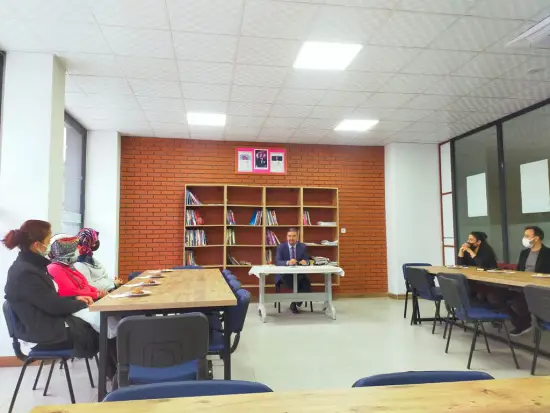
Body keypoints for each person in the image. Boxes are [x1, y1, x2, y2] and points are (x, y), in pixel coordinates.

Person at [2, 221, 106, 364]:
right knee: (105, 330)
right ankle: (116, 373)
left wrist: (76, 298)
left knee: (104, 326)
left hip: (47, 324)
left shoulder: (30, 267)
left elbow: (49, 299)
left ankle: (114, 372)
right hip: (44, 333)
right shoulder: (26, 273)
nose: (51, 244)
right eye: (48, 241)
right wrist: (80, 303)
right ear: (37, 245)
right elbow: (52, 305)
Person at [48, 235, 106, 300]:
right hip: (81, 303)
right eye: (76, 248)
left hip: (88, 299)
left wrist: (96, 290)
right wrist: (96, 294)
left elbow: (84, 284)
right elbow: (71, 292)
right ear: (68, 252)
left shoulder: (68, 265)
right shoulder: (54, 268)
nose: (79, 249)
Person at [275, 228, 311, 314]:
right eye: (289, 236)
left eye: (294, 236)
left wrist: (305, 262)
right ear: (286, 237)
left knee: (307, 285)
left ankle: (294, 303)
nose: (291, 238)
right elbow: (277, 262)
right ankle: (295, 303)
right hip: (284, 274)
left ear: (297, 237)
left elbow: (307, 260)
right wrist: (288, 262)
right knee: (299, 284)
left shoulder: (302, 246)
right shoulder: (281, 247)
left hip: (299, 274)